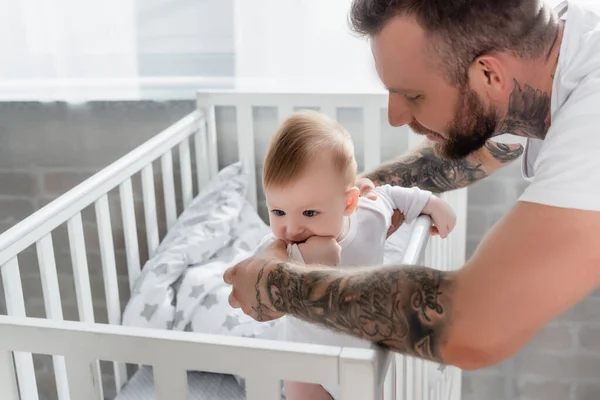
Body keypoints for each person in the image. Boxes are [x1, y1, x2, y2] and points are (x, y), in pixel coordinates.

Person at [224, 0, 600, 371]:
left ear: (489, 75)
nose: (395, 116)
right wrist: (355, 195)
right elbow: (484, 150)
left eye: (413, 95)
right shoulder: (543, 55)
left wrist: (276, 285)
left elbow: (471, 326)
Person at [256, 109, 456, 399]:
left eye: (309, 212)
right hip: (306, 366)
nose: (292, 227)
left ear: (349, 203)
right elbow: (258, 273)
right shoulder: (279, 249)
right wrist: (299, 262)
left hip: (363, 359)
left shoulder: (369, 216)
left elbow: (390, 195)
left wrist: (428, 203)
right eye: (278, 211)